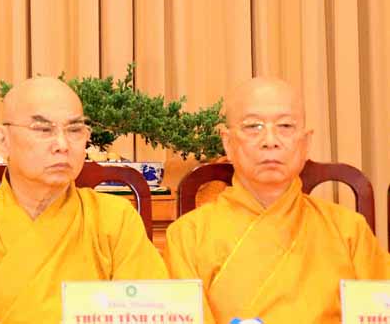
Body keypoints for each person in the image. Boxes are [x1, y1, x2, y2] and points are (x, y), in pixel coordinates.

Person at [0, 77, 168, 324]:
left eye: (74, 130)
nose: (62, 145)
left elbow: (149, 313)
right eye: (43, 130)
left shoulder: (115, 219)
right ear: (4, 140)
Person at [164, 77, 390, 323]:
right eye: (253, 126)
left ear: (306, 142)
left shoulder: (348, 230)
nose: (270, 141)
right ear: (227, 142)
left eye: (285, 126)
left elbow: (379, 312)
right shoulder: (188, 236)